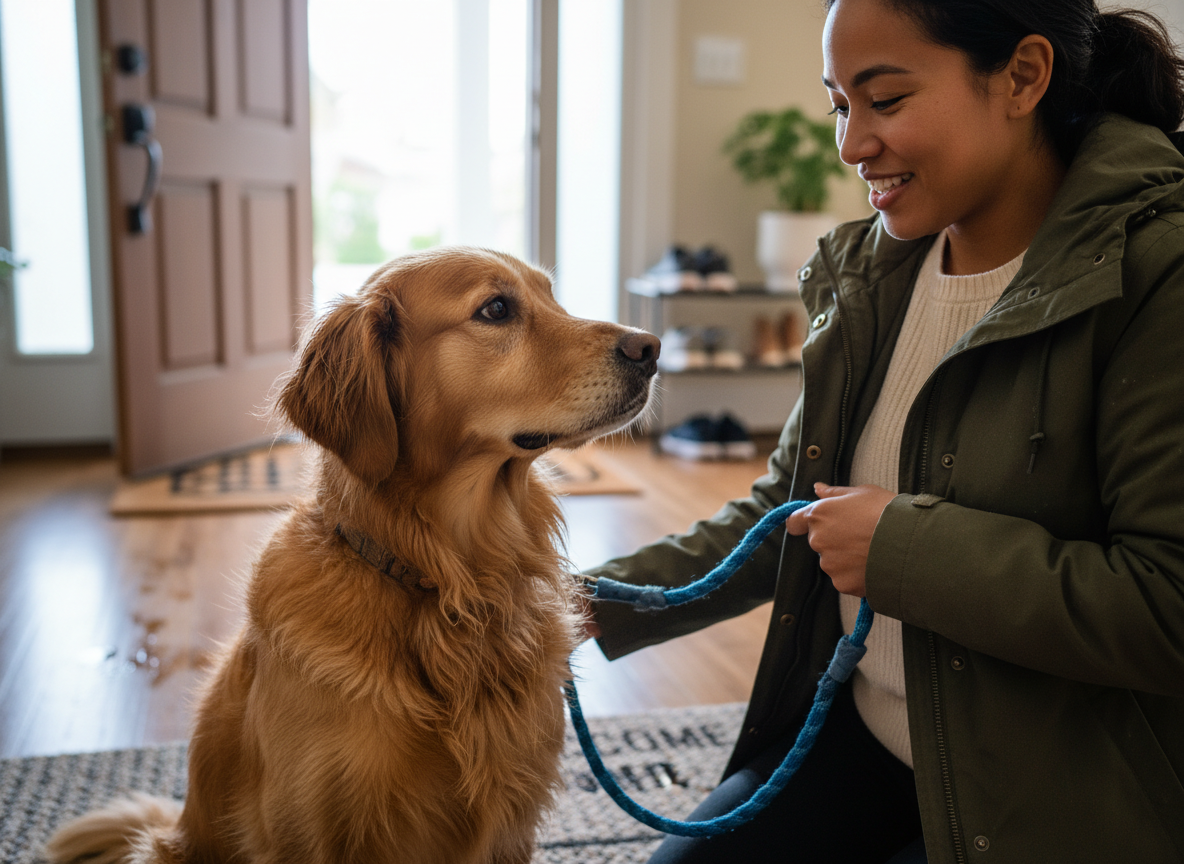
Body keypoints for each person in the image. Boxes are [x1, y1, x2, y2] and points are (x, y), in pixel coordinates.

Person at [581, 0, 1184, 861]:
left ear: (1023, 77)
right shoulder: (872, 276)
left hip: (1050, 796)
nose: (851, 143)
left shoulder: (1159, 274)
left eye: (887, 100)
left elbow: (1168, 605)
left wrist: (904, 550)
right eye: (840, 105)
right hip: (868, 741)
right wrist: (577, 607)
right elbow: (784, 512)